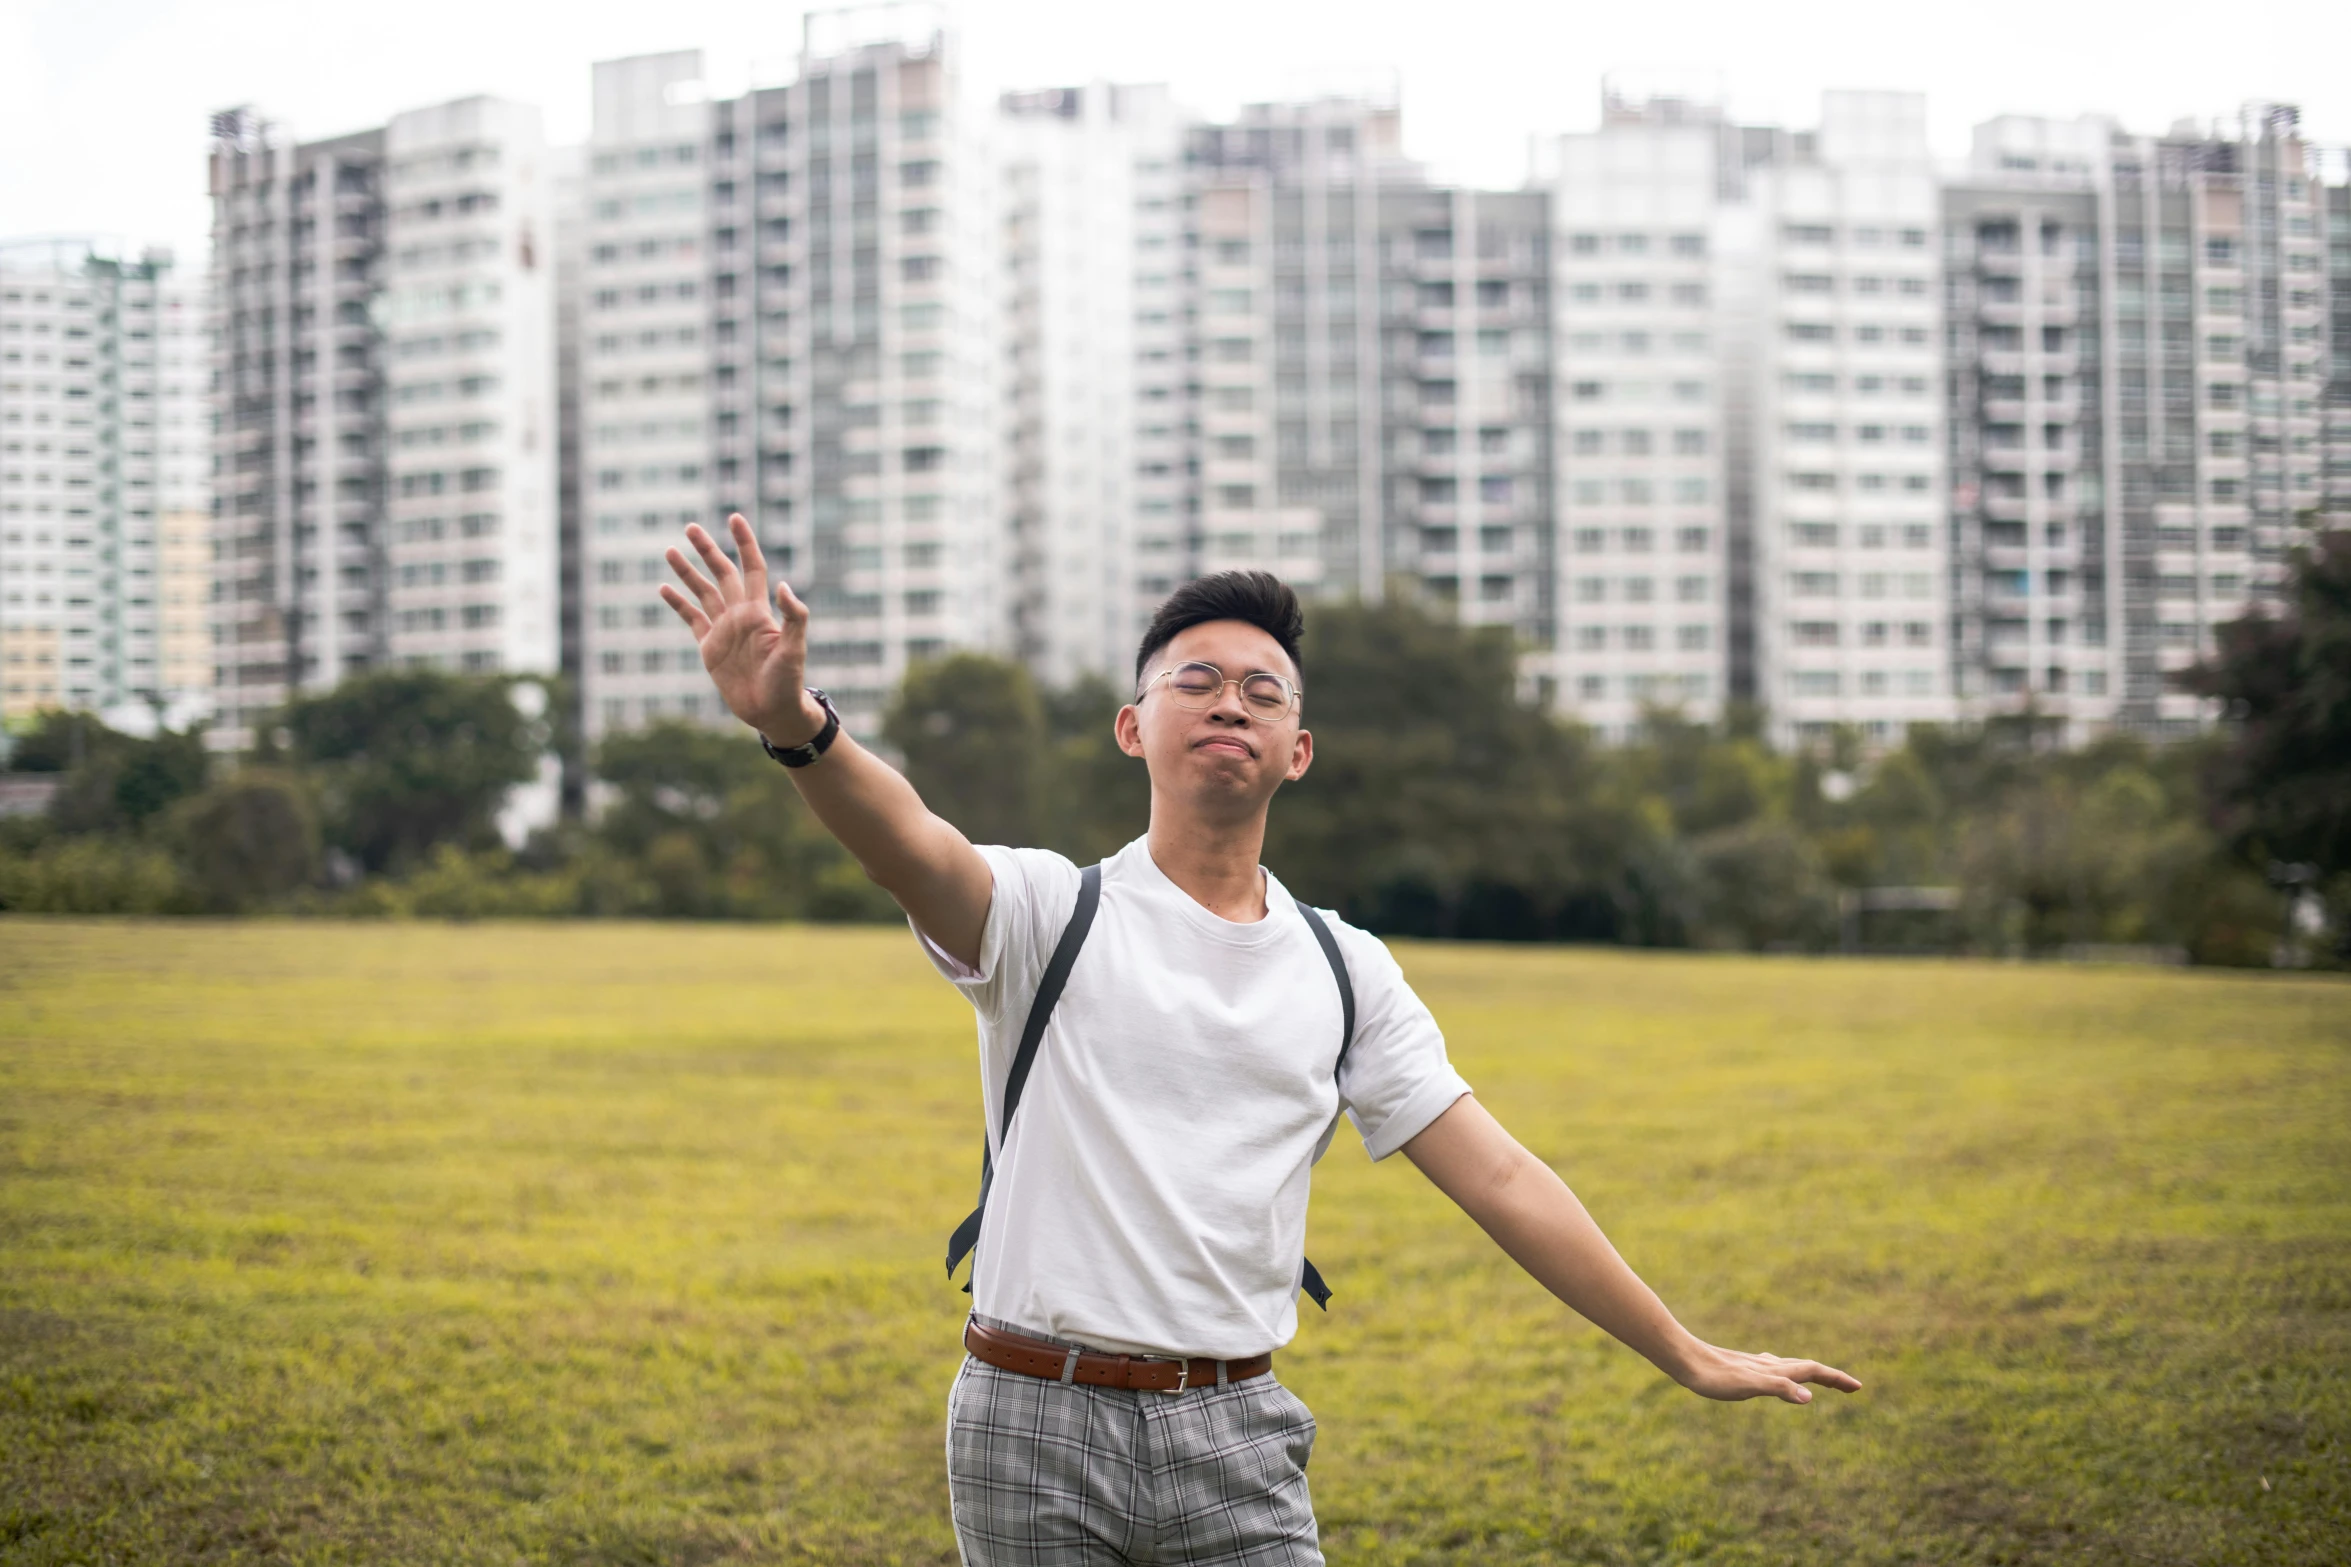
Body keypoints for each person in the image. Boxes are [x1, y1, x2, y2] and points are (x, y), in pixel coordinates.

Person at [660, 515, 1859, 1566]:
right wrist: (796, 728)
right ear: (1133, 727)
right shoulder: (1044, 912)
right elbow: (907, 840)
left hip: (1234, 1426)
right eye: (1195, 680)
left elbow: (1498, 1174)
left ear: (1297, 750)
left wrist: (1680, 1348)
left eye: (1262, 688)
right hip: (1028, 1413)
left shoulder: (1345, 970)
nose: (1229, 698)